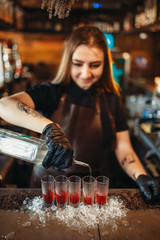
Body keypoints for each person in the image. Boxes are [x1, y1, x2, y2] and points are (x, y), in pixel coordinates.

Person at [0, 25, 159, 204]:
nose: (86, 73)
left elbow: (123, 148)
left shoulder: (111, 99)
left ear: (105, 64)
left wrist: (141, 176)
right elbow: (5, 105)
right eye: (77, 64)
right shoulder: (51, 92)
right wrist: (50, 128)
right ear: (68, 62)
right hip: (47, 189)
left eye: (95, 65)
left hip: (89, 191)